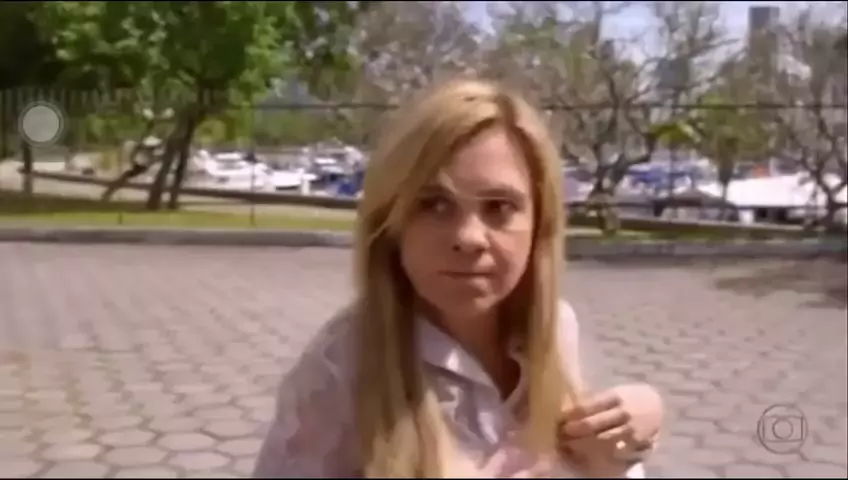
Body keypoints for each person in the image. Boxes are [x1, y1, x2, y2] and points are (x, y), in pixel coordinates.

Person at [253, 78, 664, 478]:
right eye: (434, 205)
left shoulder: (557, 329)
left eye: (499, 207)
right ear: (391, 223)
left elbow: (588, 459)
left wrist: (628, 442)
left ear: (540, 224)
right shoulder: (341, 368)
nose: (468, 238)